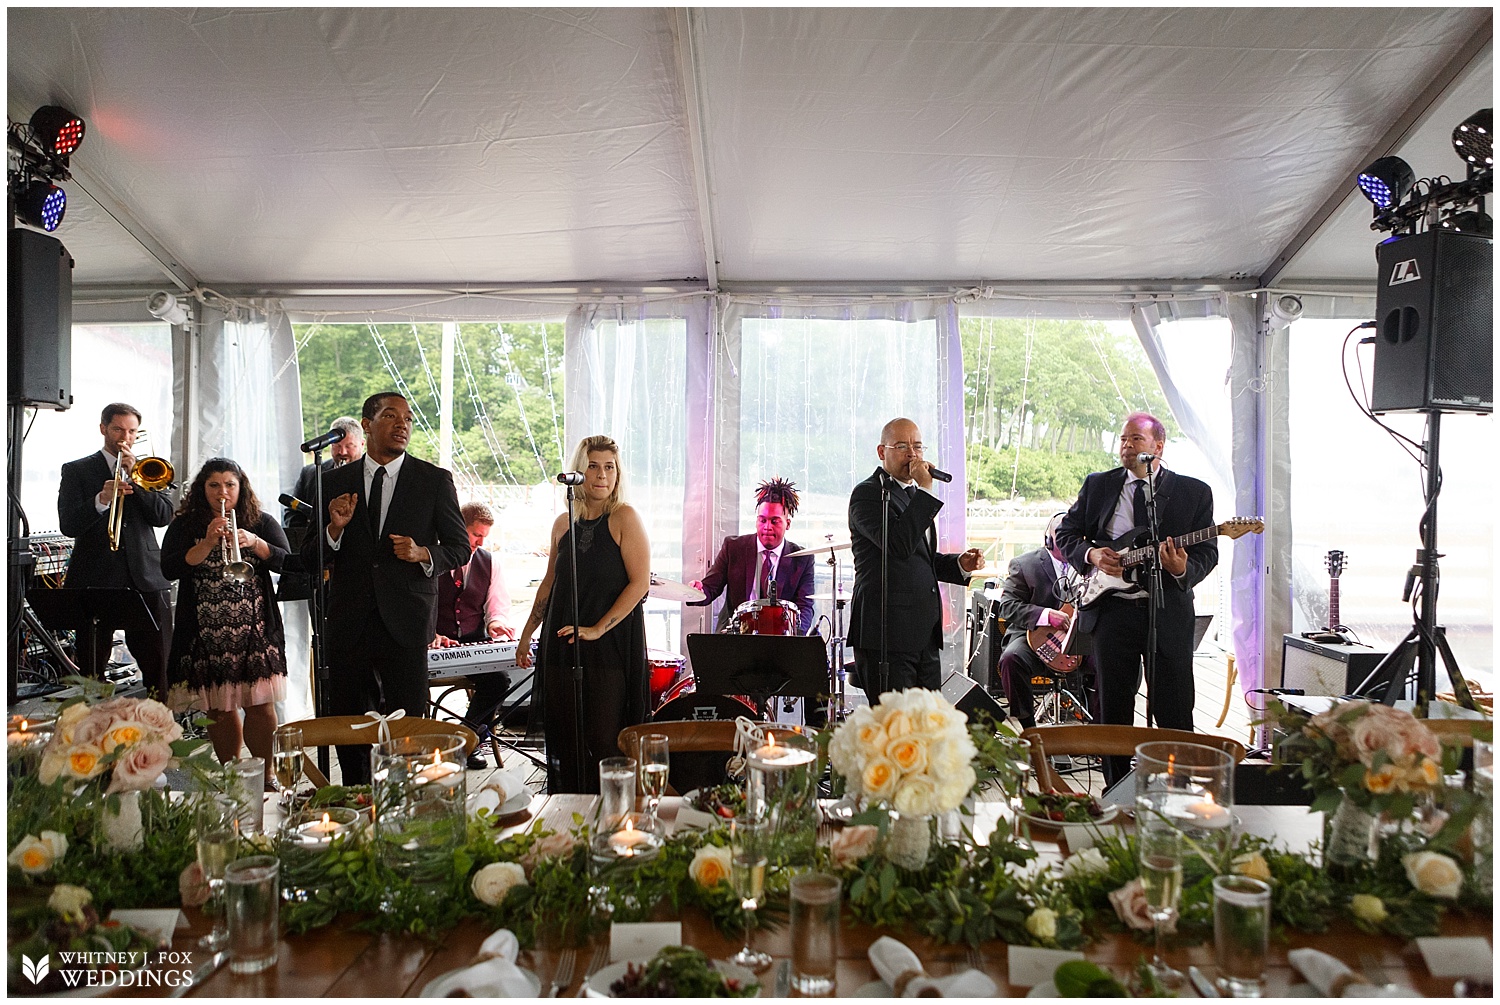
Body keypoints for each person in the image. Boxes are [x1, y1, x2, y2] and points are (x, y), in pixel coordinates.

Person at [302, 391, 471, 784]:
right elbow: (310, 554)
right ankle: (356, 798)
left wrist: (423, 553)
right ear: (366, 424)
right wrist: (333, 530)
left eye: (408, 418)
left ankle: (407, 798)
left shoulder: (433, 480)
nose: (403, 424)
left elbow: (460, 547)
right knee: (350, 723)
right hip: (348, 621)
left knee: (408, 724)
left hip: (406, 622)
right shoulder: (332, 482)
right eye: (392, 416)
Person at [1053, 411, 1217, 786]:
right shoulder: (1098, 485)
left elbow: (1207, 552)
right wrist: (1092, 555)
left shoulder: (1193, 492)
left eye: (1135, 440)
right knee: (1113, 707)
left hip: (1166, 611)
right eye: (1123, 440)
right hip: (1112, 611)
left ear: (1158, 446)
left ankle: (1178, 787)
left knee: (1174, 704)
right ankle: (1114, 789)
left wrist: (1179, 570)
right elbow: (1067, 533)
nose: (1126, 447)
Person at [515, 435, 650, 794]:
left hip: (609, 648)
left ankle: (614, 820)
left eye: (610, 467)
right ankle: (570, 818)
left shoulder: (625, 518)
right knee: (565, 739)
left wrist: (596, 629)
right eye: (593, 466)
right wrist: (528, 633)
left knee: (604, 738)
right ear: (578, 471)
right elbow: (549, 584)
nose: (602, 475)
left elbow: (638, 584)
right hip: (562, 644)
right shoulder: (563, 523)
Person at [160, 458, 290, 779]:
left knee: (260, 705)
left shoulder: (259, 521)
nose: (222, 492)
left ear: (240, 487)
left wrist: (255, 543)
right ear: (202, 489)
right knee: (220, 706)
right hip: (206, 632)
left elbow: (287, 562)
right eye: (214, 485)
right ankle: (232, 774)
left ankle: (266, 775)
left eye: (230, 485)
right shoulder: (186, 525)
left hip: (255, 630)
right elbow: (169, 568)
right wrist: (206, 542)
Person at [847, 418, 985, 706]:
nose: (912, 454)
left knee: (928, 727)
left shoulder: (910, 494)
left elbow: (918, 557)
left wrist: (959, 564)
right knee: (897, 729)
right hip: (887, 634)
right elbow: (897, 545)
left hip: (923, 634)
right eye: (902, 446)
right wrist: (925, 491)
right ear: (881, 452)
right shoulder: (869, 494)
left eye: (918, 446)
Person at [56, 402, 174, 698]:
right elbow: (69, 524)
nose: (126, 437)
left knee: (159, 664)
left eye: (132, 430)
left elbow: (163, 516)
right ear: (103, 429)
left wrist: (137, 477)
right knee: (92, 670)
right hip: (95, 575)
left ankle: (161, 729)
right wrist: (101, 499)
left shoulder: (149, 469)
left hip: (145, 576)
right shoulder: (77, 470)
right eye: (119, 429)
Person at [430, 501, 518, 769]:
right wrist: (430, 634)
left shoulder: (490, 563)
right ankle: (420, 748)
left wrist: (496, 624)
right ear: (459, 527)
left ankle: (466, 741)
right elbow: (417, 605)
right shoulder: (432, 556)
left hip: (471, 641)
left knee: (498, 681)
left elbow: (496, 607)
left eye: (484, 537)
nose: (479, 542)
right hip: (432, 643)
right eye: (475, 534)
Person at [995, 512, 1089, 730]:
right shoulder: (1024, 564)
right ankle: (1029, 731)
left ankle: (1102, 736)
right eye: (1062, 535)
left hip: (1081, 637)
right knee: (1011, 659)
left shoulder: (1089, 566)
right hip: (1033, 637)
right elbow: (1007, 606)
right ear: (1049, 538)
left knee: (1111, 661)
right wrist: (1045, 615)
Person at [689, 477, 816, 634]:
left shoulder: (802, 558)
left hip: (780, 640)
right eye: (762, 520)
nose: (767, 527)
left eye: (774, 521)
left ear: (787, 524)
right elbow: (710, 588)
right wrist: (697, 592)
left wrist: (796, 633)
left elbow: (805, 606)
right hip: (736, 636)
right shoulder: (733, 547)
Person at [283, 415, 365, 534]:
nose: (342, 452)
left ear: (362, 444)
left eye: (349, 446)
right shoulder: (310, 473)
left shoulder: (372, 474)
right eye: (337, 446)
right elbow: (292, 514)